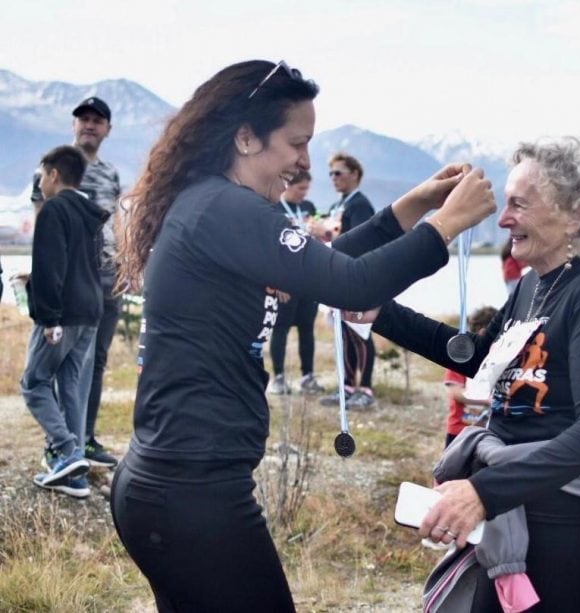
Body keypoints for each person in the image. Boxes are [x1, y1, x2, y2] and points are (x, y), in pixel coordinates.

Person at [110, 59, 496, 612]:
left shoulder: (213, 206)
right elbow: (352, 283)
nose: (303, 161)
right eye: (297, 142)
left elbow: (323, 266)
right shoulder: (226, 207)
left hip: (170, 484)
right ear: (246, 137)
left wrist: (413, 207)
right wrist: (447, 225)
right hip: (193, 489)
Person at [358, 136, 580, 611]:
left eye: (519, 204)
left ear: (575, 214)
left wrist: (483, 492)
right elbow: (480, 358)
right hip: (512, 509)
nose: (503, 219)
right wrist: (381, 312)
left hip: (560, 525)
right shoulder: (533, 283)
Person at [31, 96, 122, 468]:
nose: (89, 125)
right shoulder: (53, 167)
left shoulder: (111, 174)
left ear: (107, 129)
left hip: (106, 278)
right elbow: (44, 222)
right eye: (83, 119)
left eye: (97, 120)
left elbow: (116, 223)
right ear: (74, 125)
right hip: (70, 277)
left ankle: (83, 440)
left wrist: (126, 265)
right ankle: (60, 443)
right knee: (57, 362)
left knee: (93, 362)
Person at [21, 145, 109, 499]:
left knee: (34, 382)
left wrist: (49, 317)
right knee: (71, 387)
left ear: (54, 174)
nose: (41, 182)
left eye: (43, 175)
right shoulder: (91, 213)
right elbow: (91, 265)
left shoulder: (55, 209)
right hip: (91, 312)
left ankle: (67, 451)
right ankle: (75, 479)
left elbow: (50, 266)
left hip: (63, 314)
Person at [315, 153, 379, 409]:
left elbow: (362, 239)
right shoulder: (337, 205)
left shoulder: (360, 205)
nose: (333, 178)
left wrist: (329, 235)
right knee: (343, 334)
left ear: (354, 174)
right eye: (330, 174)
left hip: (359, 276)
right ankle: (347, 385)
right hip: (338, 276)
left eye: (338, 173)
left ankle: (366, 388)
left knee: (360, 332)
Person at [267, 169, 325, 395]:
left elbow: (320, 239)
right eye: (301, 188)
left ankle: (307, 376)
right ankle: (278, 377)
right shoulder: (274, 209)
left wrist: (319, 232)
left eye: (307, 189)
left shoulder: (310, 208)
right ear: (288, 186)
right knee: (280, 328)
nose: (304, 193)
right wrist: (276, 280)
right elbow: (270, 248)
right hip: (285, 281)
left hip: (308, 279)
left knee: (306, 328)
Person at [443, 306, 497, 448]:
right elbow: (455, 392)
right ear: (483, 332)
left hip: (488, 434)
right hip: (459, 431)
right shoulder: (461, 358)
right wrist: (488, 401)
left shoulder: (498, 361)